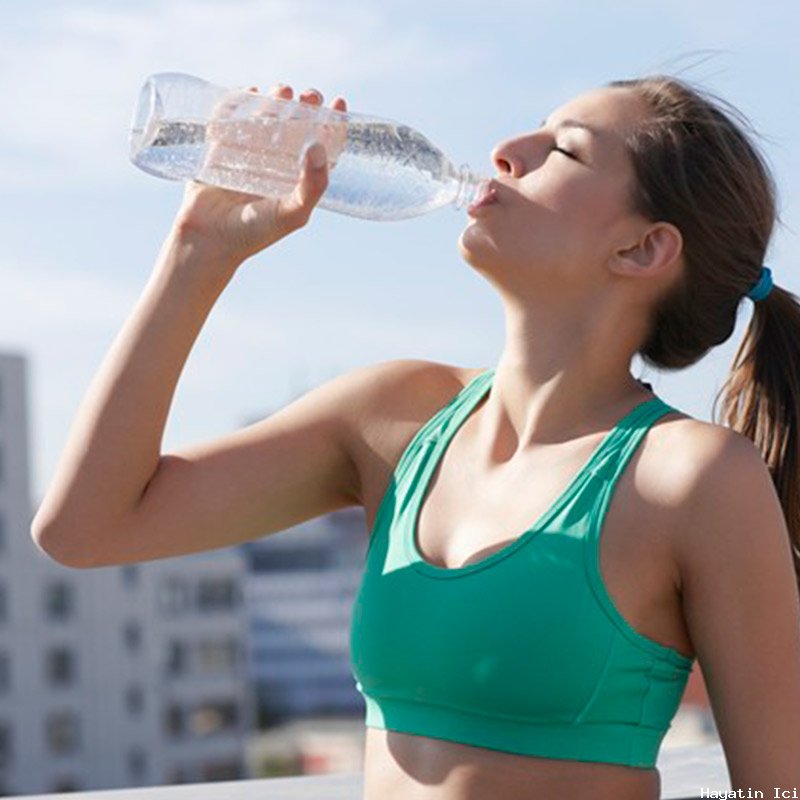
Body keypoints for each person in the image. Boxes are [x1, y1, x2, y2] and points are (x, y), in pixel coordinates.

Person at [31, 76, 800, 798]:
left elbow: (779, 789)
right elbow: (86, 527)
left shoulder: (690, 479)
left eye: (562, 149)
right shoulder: (396, 416)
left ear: (642, 249)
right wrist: (199, 251)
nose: (507, 150)